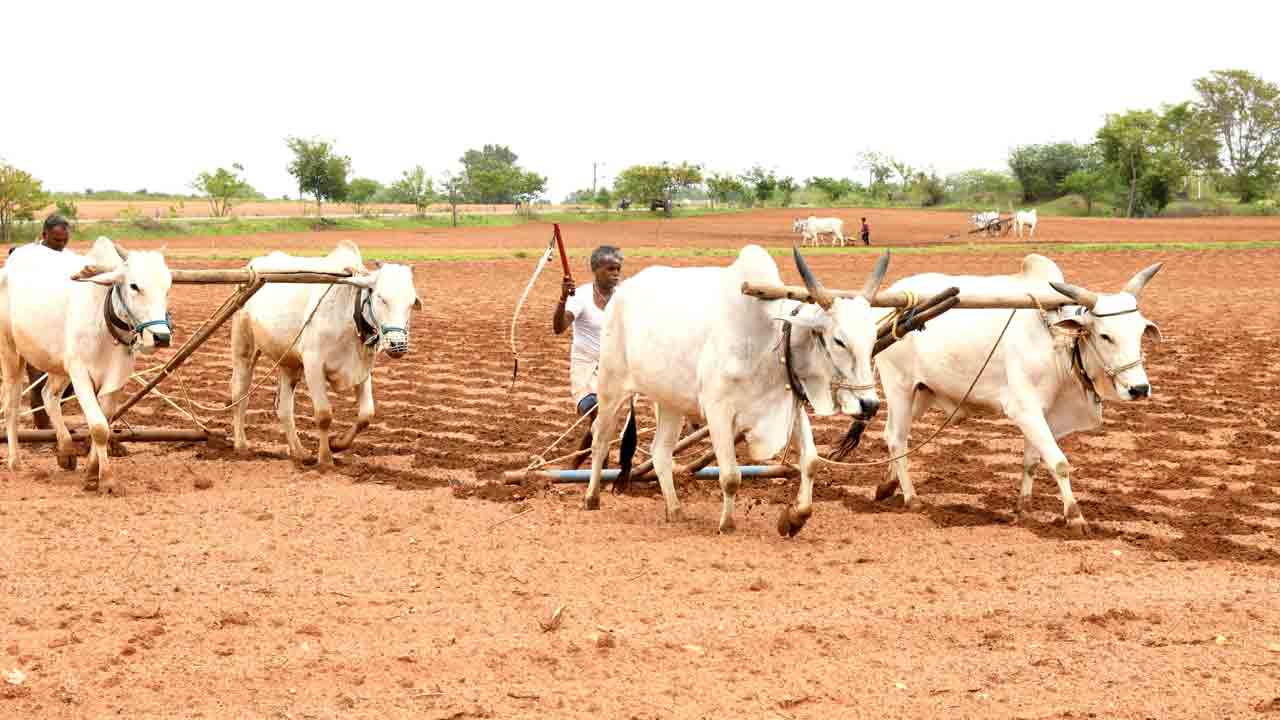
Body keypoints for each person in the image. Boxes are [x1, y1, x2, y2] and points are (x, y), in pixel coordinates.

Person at [553, 245, 624, 467]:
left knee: (604, 421)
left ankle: (574, 467)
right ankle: (599, 469)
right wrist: (563, 297)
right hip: (585, 366)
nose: (615, 274)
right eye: (610, 269)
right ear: (596, 269)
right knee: (598, 413)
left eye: (618, 269)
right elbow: (559, 327)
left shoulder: (623, 296)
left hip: (613, 367)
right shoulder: (581, 296)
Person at [11, 214, 73, 428]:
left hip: (60, 329)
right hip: (29, 324)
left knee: (69, 381)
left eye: (65, 240)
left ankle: (51, 421)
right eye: (57, 240)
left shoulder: (70, 258)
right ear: (44, 234)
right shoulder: (26, 255)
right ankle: (41, 429)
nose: (61, 244)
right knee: (37, 379)